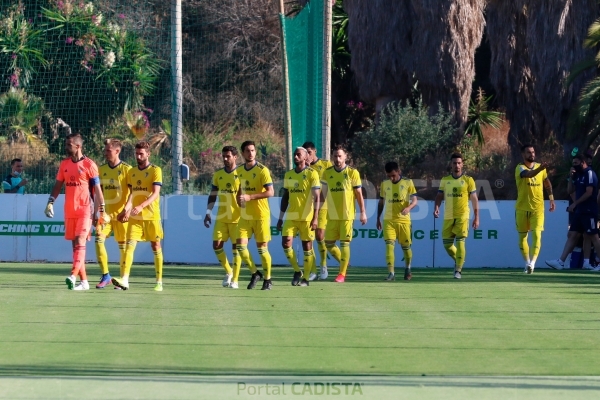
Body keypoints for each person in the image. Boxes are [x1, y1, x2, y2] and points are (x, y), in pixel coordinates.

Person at [44, 133, 106, 291]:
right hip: (69, 211)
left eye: (69, 145)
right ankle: (84, 282)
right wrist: (50, 202)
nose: (66, 147)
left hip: (85, 210)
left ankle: (72, 275)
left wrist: (101, 211)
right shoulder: (64, 164)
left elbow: (98, 190)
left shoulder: (89, 165)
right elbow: (58, 185)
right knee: (76, 248)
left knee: (80, 241)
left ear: (78, 146)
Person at [112, 141, 164, 291]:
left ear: (148, 154)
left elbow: (155, 193)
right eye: (136, 153)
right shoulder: (132, 172)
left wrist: (141, 206)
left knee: (155, 246)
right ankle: (125, 280)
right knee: (129, 246)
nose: (138, 156)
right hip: (135, 218)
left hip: (151, 216)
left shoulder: (155, 170)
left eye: (141, 154)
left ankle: (159, 282)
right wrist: (125, 210)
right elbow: (132, 195)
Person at [204, 145, 255, 289]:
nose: (225, 159)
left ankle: (235, 280)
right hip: (222, 217)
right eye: (224, 156)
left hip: (237, 218)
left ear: (235, 157)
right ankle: (229, 271)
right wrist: (208, 212)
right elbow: (213, 195)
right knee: (217, 246)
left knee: (236, 249)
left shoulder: (241, 174)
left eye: (228, 156)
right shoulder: (218, 175)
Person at [321, 145, 367, 283]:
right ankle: (344, 261)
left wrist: (363, 212)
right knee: (328, 243)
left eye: (340, 156)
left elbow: (358, 194)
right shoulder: (327, 172)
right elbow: (323, 194)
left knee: (344, 243)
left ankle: (342, 274)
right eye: (335, 156)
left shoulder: (352, 173)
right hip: (332, 214)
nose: (337, 158)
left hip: (347, 215)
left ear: (345, 157)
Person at [546, 154, 600, 270]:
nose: (574, 165)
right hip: (580, 211)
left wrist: (575, 203)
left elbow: (589, 192)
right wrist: (571, 177)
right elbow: (570, 190)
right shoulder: (578, 175)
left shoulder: (589, 173)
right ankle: (560, 262)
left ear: (583, 162)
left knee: (593, 236)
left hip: (589, 210)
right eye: (573, 163)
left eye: (576, 163)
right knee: (572, 235)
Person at [277, 147, 321, 286]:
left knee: (307, 247)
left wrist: (315, 218)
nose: (295, 157)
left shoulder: (312, 174)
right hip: (291, 216)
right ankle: (297, 271)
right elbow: (286, 197)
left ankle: (306, 279)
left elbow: (317, 197)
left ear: (305, 157)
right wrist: (280, 218)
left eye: (298, 155)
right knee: (285, 243)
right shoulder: (289, 174)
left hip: (307, 218)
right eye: (294, 154)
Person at [236, 140, 275, 290]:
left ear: (255, 152)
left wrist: (250, 197)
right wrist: (239, 200)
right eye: (247, 151)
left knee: (262, 248)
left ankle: (268, 279)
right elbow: (240, 187)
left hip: (261, 215)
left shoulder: (262, 170)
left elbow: (270, 192)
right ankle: (255, 273)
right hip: (246, 215)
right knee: (240, 247)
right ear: (242, 153)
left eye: (253, 150)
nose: (250, 153)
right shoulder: (239, 170)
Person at [433, 153, 479, 279]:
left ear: (462, 164)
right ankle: (459, 261)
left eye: (459, 163)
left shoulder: (468, 180)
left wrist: (476, 217)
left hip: (462, 216)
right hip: (448, 216)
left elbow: (474, 199)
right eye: (454, 163)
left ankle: (458, 270)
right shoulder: (445, 180)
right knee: (447, 245)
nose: (457, 165)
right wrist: (436, 207)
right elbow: (439, 196)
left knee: (460, 242)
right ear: (451, 164)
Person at [95, 139, 131, 288]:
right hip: (106, 215)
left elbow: (133, 193)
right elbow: (99, 192)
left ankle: (121, 279)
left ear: (117, 151)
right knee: (98, 239)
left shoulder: (127, 169)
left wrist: (126, 209)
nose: (105, 153)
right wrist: (95, 211)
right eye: (105, 150)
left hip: (122, 216)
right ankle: (106, 275)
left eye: (108, 151)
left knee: (123, 247)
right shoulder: (101, 169)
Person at [515, 144, 555, 274]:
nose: (532, 154)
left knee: (537, 235)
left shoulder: (540, 168)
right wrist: (540, 169)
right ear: (523, 155)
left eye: (533, 152)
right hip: (522, 209)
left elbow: (546, 181)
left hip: (538, 209)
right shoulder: (519, 168)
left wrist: (551, 198)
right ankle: (527, 263)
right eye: (528, 152)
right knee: (522, 238)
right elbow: (528, 174)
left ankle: (532, 263)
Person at [376, 162, 417, 281]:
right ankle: (391, 273)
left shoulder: (408, 182)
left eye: (393, 175)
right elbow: (381, 202)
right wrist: (378, 218)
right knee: (389, 246)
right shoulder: (384, 184)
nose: (391, 178)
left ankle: (408, 268)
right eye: (389, 176)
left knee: (406, 247)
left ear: (398, 171)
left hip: (404, 221)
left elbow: (415, 201)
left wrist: (408, 208)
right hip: (388, 220)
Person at [303, 141, 333, 280]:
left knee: (320, 236)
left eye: (310, 152)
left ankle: (323, 265)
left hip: (323, 205)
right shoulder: (303, 168)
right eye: (305, 153)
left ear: (315, 151)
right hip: (307, 206)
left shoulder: (326, 165)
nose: (308, 155)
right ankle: (313, 270)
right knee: (309, 238)